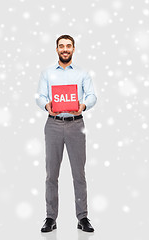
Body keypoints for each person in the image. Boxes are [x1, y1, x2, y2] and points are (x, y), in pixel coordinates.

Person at [36, 35, 97, 233]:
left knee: (79, 174)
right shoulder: (47, 73)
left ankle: (83, 217)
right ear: (56, 49)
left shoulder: (82, 74)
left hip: (76, 124)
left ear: (73, 49)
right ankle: (50, 217)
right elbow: (41, 96)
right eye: (61, 46)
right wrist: (46, 105)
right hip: (53, 124)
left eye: (68, 46)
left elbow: (92, 95)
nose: (65, 49)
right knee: (51, 174)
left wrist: (83, 105)